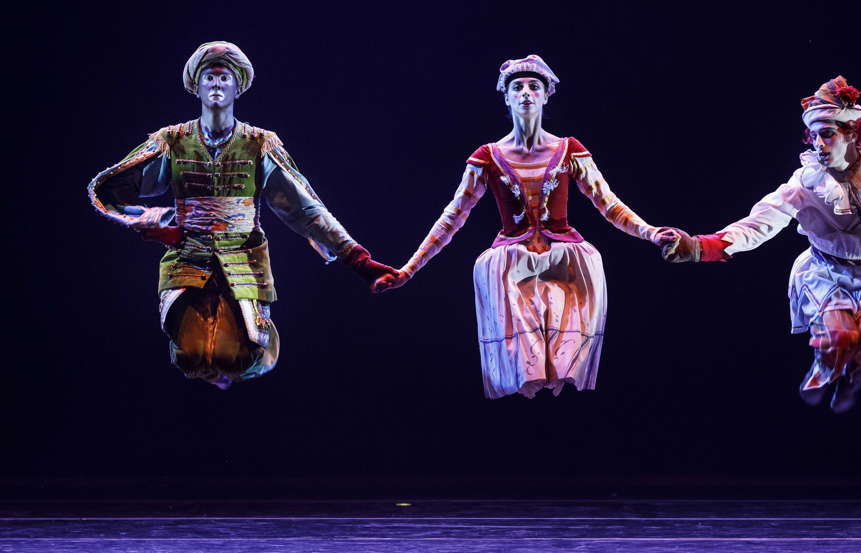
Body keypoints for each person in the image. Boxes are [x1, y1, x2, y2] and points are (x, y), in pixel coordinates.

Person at [373, 55, 684, 399]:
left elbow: (608, 203)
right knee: (526, 351)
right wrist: (409, 270)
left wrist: (652, 232)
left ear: (546, 95)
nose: (525, 93)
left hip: (566, 260)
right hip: (512, 264)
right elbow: (452, 218)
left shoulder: (569, 150)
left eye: (533, 87)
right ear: (505, 97)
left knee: (562, 349)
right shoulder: (488, 157)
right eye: (516, 87)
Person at [88, 41, 395, 388]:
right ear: (196, 86)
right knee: (191, 356)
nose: (216, 85)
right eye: (209, 77)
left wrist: (359, 260)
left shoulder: (259, 144)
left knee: (236, 356)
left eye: (224, 78)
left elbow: (305, 207)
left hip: (244, 260)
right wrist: (156, 221)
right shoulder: (171, 142)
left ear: (237, 86)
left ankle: (247, 348)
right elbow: (109, 188)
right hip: (188, 259)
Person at [663, 76, 861, 412]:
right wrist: (700, 246)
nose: (819, 143)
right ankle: (826, 367)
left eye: (827, 134)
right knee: (841, 334)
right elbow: (762, 221)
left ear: (851, 134)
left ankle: (855, 376)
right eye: (814, 135)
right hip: (827, 270)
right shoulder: (805, 182)